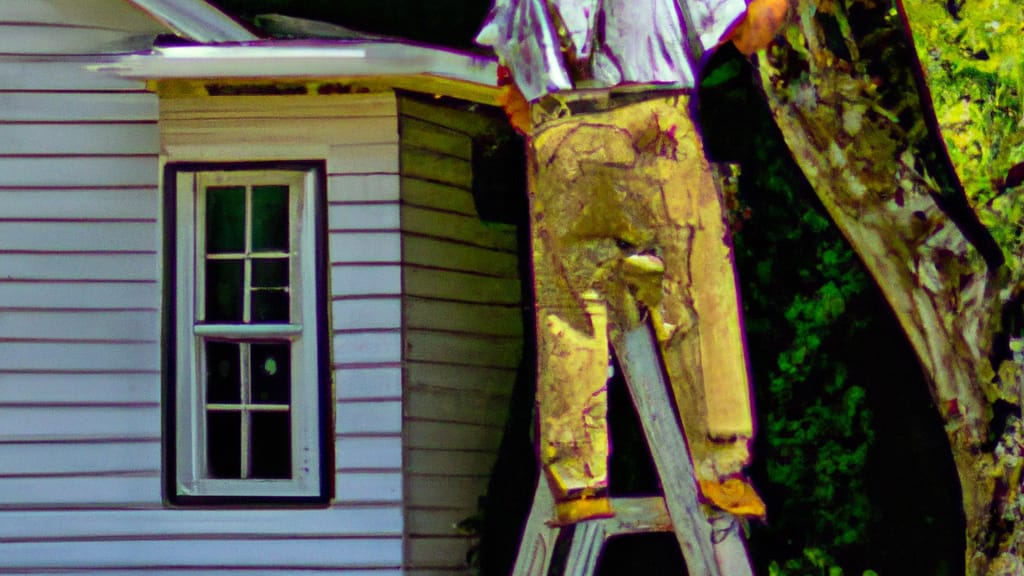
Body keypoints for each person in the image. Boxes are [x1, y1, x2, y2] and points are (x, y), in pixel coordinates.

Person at [477, 0, 785, 524]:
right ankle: (720, 465)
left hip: (560, 134)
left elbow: (512, 99)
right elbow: (755, 29)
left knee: (570, 307)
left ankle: (576, 479)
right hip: (651, 122)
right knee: (696, 286)